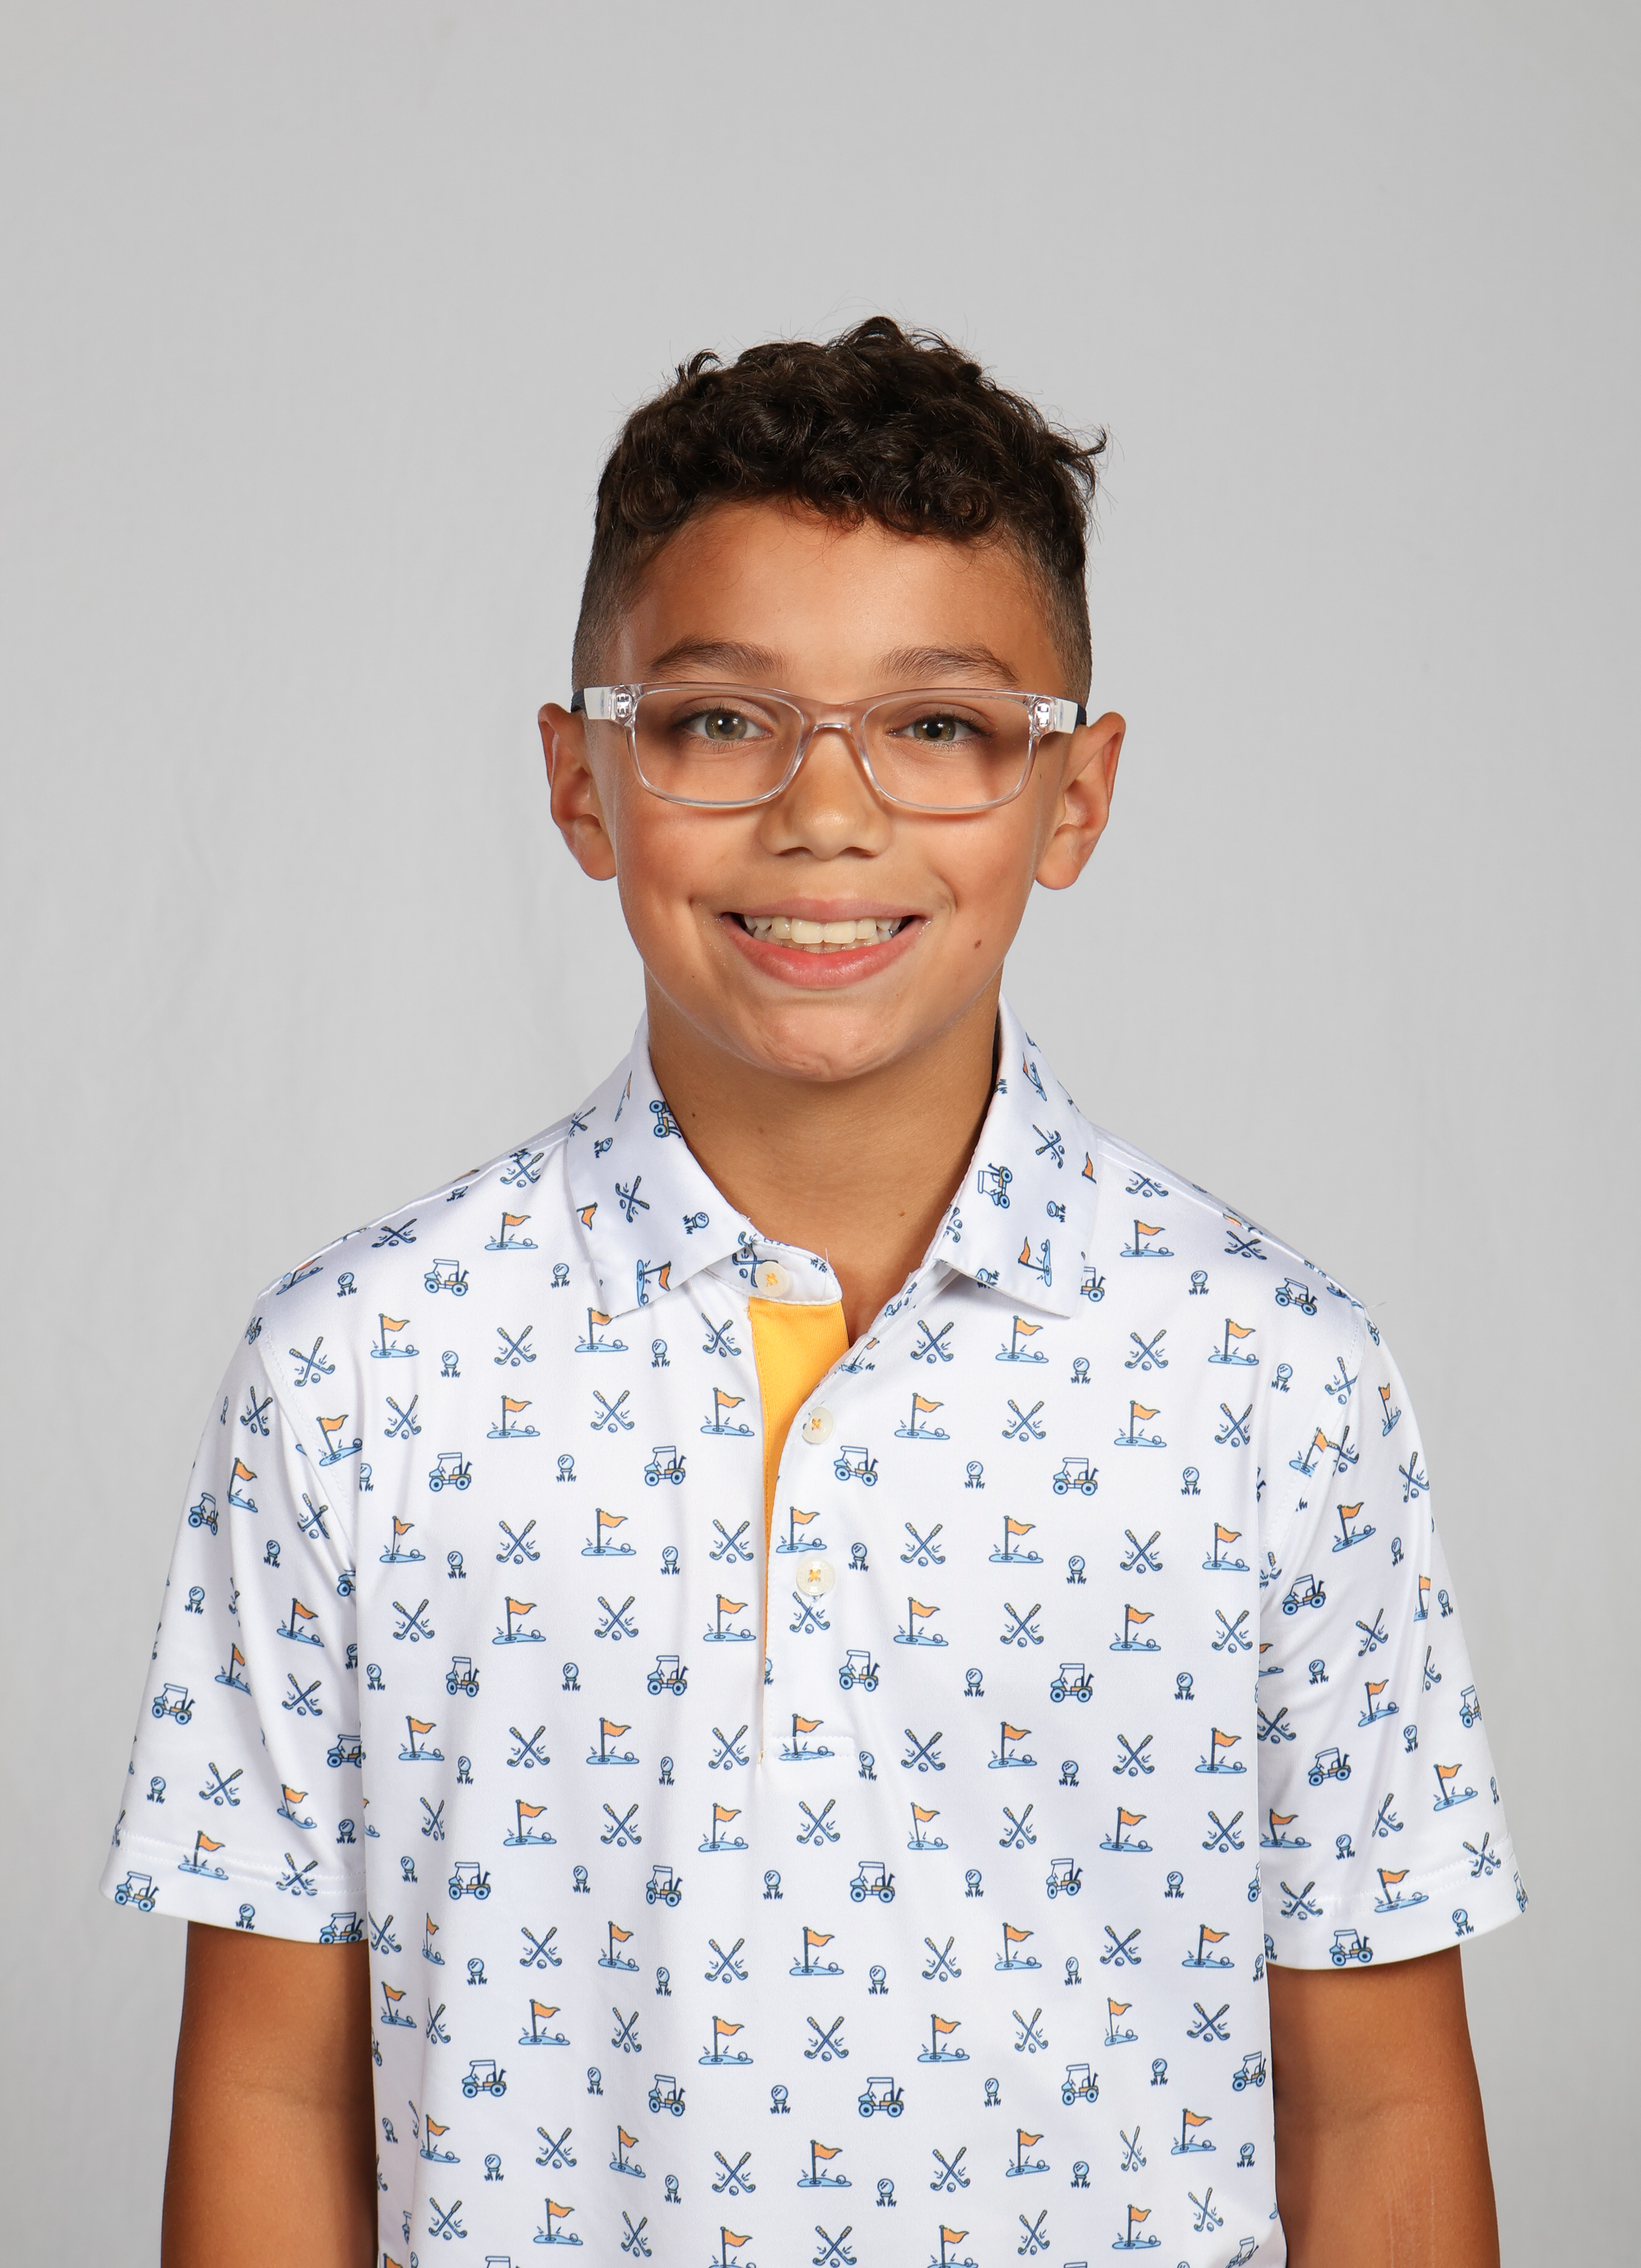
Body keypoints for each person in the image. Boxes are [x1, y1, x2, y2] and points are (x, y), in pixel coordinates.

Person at [107, 319, 1520, 2268]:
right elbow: (275, 2091)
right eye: (719, 722)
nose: (828, 813)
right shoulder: (357, 1379)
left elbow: (1375, 2109)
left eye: (937, 728)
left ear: (1076, 794)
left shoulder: (1275, 1384)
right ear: (584, 780)